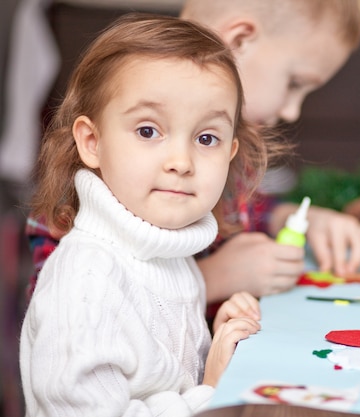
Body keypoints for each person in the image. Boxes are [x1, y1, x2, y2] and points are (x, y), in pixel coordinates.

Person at [26, 0, 360, 306]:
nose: (292, 112)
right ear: (240, 40)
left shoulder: (219, 146)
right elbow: (61, 309)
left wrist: (291, 218)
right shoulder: (95, 172)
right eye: (294, 83)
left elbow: (236, 211)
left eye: (208, 140)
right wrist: (212, 279)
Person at [21, 14, 272, 416]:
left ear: (230, 153)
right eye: (148, 131)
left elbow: (163, 381)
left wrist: (213, 344)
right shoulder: (87, 281)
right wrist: (213, 391)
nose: (181, 161)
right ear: (92, 142)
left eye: (206, 138)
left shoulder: (169, 256)